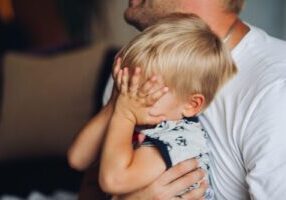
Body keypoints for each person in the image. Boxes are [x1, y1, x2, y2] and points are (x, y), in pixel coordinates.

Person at [69, 0, 286, 199]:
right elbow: (86, 177)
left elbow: (112, 180)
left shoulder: (275, 89)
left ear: (192, 104)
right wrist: (117, 104)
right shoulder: (138, 67)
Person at [98, 13, 237, 199]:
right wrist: (117, 99)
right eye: (130, 85)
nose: (131, 97)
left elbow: (113, 181)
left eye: (147, 90)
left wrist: (124, 114)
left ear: (191, 105)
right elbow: (77, 159)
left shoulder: (177, 138)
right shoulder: (135, 116)